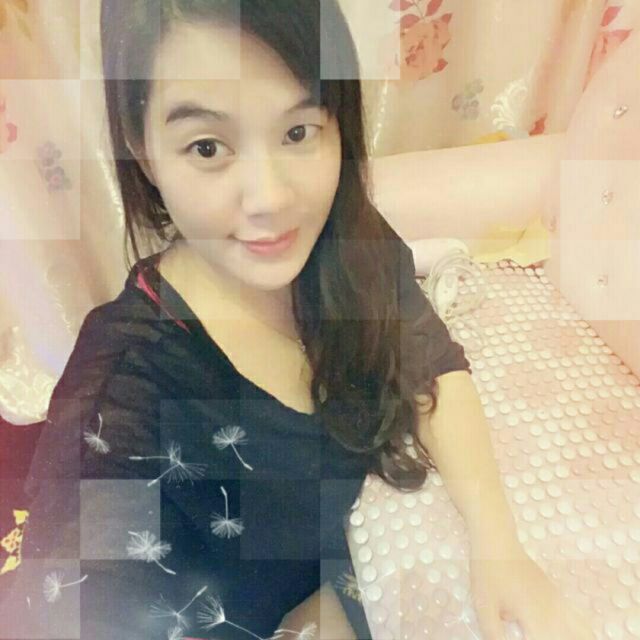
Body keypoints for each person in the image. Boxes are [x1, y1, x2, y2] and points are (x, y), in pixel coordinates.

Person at [9, 1, 475, 639]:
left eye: (298, 132)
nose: (271, 199)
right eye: (208, 147)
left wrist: (501, 553)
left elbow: (428, 355)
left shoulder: (339, 237)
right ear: (143, 150)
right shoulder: (119, 410)